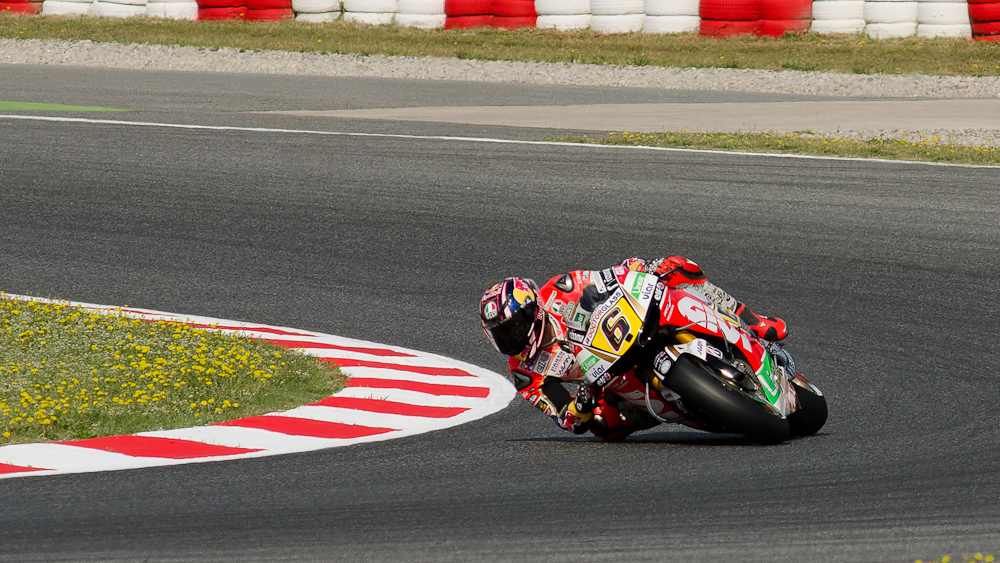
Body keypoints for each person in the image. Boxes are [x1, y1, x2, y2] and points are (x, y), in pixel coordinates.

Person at [479, 256, 787, 441]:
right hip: (605, 381)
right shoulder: (524, 373)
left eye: (516, 325)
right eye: (503, 334)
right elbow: (566, 418)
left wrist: (638, 268)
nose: (513, 337)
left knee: (676, 268)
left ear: (534, 308)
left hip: (626, 328)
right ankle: (680, 410)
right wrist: (582, 405)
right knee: (604, 427)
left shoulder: (562, 288)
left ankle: (751, 320)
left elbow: (607, 279)